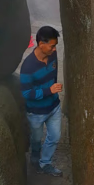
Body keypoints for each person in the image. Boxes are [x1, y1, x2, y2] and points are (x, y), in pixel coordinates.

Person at [19, 25, 63, 176]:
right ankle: (35, 159)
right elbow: (26, 93)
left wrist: (52, 92)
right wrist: (48, 91)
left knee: (55, 136)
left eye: (55, 46)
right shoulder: (28, 67)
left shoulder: (53, 56)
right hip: (36, 112)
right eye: (52, 46)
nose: (54, 49)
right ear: (41, 44)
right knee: (36, 140)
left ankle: (45, 163)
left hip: (54, 107)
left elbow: (53, 74)